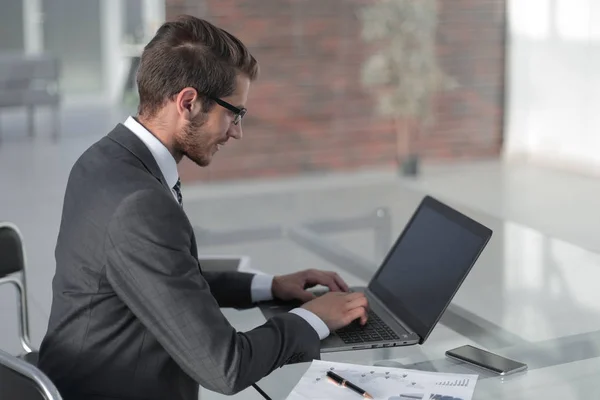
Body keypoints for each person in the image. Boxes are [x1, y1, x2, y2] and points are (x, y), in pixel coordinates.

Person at [38, 15, 369, 400]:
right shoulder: (140, 203)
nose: (236, 131)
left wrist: (270, 286)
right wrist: (314, 319)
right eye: (234, 113)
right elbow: (225, 367)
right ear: (189, 102)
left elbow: (166, 279)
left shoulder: (102, 159)